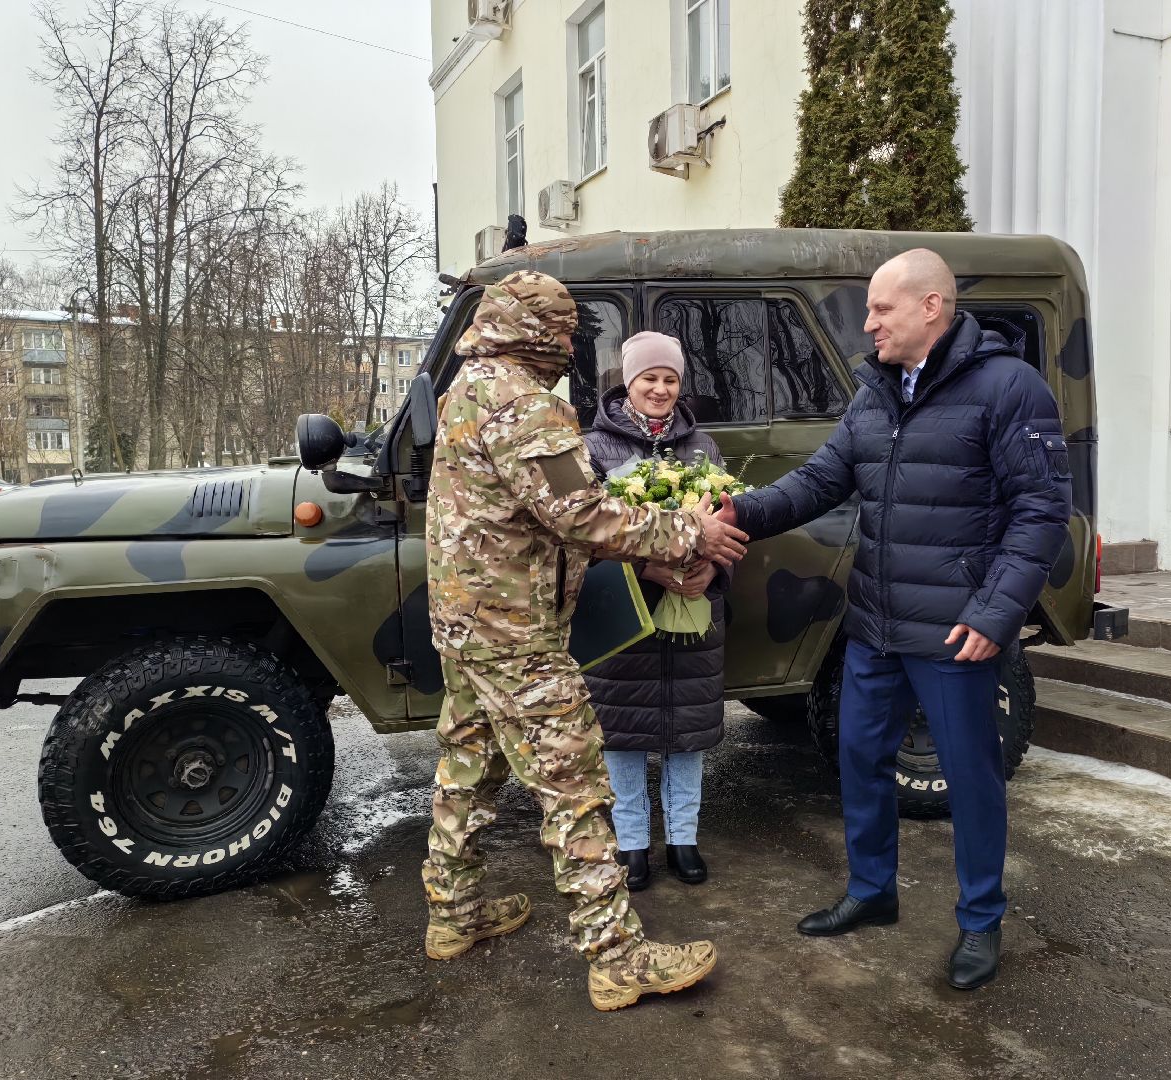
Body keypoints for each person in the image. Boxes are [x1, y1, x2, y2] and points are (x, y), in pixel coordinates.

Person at [718, 249, 1071, 991]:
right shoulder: (875, 392)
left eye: (882, 309)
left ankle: (980, 921)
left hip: (953, 631)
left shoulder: (1009, 388)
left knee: (970, 779)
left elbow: (1041, 511)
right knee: (859, 758)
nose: (869, 323)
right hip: (875, 625)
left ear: (931, 308)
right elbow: (819, 480)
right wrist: (739, 510)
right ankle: (872, 891)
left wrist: (997, 611)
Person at [422, 270, 750, 1012]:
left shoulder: (468, 389)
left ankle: (453, 912)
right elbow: (583, 516)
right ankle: (615, 956)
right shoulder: (520, 402)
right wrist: (685, 529)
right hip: (515, 632)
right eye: (566, 331)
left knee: (468, 769)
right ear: (540, 333)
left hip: (467, 622)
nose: (572, 345)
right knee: (574, 786)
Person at [582, 332, 729, 889]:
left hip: (693, 610)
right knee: (623, 732)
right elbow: (581, 536)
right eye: (650, 378)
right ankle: (633, 843)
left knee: (687, 733)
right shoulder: (594, 448)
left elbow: (727, 520)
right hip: (626, 616)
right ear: (629, 383)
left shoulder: (703, 448)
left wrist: (713, 569)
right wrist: (646, 568)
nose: (661, 389)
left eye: (670, 379)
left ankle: (684, 840)